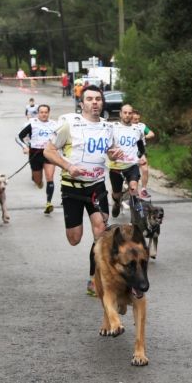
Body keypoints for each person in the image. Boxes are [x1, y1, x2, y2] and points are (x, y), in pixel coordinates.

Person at [43, 85, 124, 296]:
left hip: (97, 186)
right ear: (82, 104)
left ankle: (94, 278)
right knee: (74, 238)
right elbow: (48, 151)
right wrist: (69, 167)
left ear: (102, 103)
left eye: (98, 99)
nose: (95, 102)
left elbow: (111, 151)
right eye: (90, 99)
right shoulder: (69, 124)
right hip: (72, 188)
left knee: (100, 231)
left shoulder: (108, 127)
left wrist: (115, 154)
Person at [16, 104, 62, 214]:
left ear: (49, 113)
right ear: (38, 113)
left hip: (49, 153)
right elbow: (18, 136)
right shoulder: (32, 123)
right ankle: (38, 181)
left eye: (46, 112)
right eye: (41, 112)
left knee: (50, 177)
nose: (44, 114)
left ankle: (48, 203)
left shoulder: (55, 125)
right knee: (37, 181)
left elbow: (61, 139)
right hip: (35, 153)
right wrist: (25, 147)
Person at [108, 103, 147, 219]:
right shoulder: (113, 128)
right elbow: (108, 147)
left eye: (130, 113)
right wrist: (111, 154)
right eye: (125, 113)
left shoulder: (137, 129)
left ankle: (135, 218)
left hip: (132, 165)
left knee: (134, 187)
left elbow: (141, 145)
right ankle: (116, 202)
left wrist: (142, 156)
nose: (127, 115)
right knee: (117, 193)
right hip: (116, 166)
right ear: (120, 114)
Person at [131, 109, 155, 199]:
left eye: (138, 119)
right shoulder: (126, 126)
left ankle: (143, 190)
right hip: (130, 151)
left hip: (140, 150)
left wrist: (144, 136)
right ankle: (129, 190)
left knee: (145, 169)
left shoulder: (141, 126)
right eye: (135, 119)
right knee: (132, 173)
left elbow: (151, 134)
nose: (137, 121)